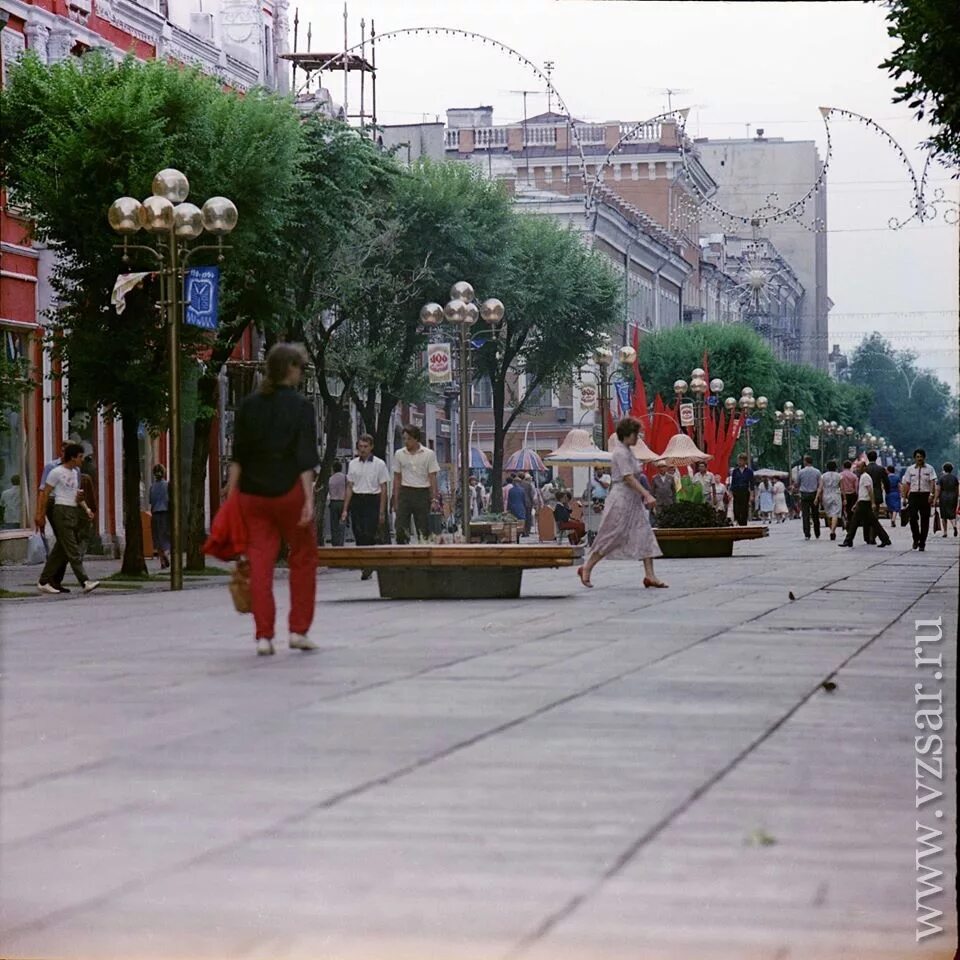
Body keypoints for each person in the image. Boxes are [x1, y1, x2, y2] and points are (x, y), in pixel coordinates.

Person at [229, 343, 319, 656]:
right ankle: (298, 630)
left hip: (253, 494)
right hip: (289, 489)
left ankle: (264, 635)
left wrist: (232, 497)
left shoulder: (248, 406)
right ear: (290, 368)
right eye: (301, 367)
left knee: (260, 563)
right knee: (304, 556)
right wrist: (308, 499)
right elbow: (305, 457)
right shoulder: (302, 407)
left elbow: (237, 456)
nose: (302, 373)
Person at [578, 417, 665, 589]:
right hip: (621, 499)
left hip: (632, 501)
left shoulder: (627, 451)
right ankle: (587, 567)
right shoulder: (620, 453)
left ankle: (650, 575)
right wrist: (646, 494)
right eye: (635, 434)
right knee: (612, 535)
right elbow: (628, 477)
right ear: (627, 434)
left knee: (645, 533)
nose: (637, 438)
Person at [36, 443, 100, 594]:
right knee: (72, 549)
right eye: (80, 457)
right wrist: (40, 514)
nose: (82, 460)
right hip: (61, 510)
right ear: (72, 457)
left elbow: (76, 494)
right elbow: (45, 493)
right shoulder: (56, 472)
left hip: (73, 510)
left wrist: (86, 509)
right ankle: (84, 581)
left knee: (61, 549)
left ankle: (43, 581)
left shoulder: (75, 472)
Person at [343, 434, 390, 578]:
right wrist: (345, 509)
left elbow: (383, 488)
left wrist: (382, 512)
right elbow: (350, 487)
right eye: (360, 447)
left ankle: (369, 565)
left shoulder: (379, 464)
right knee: (358, 533)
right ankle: (364, 564)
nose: (362, 450)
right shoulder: (352, 464)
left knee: (369, 533)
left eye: (365, 446)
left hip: (372, 500)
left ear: (371, 447)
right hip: (357, 500)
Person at [392, 425, 439, 544]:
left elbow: (432, 477)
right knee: (401, 526)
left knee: (423, 527)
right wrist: (395, 499)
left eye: (409, 439)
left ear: (416, 439)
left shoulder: (428, 454)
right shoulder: (399, 454)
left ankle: (424, 550)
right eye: (404, 439)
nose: (406, 442)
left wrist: (434, 498)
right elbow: (397, 477)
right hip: (405, 491)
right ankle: (402, 550)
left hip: (422, 492)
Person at [839, 460, 891, 549]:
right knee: (872, 522)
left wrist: (873, 502)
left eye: (859, 467)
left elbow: (870, 490)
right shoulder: (862, 476)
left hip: (865, 502)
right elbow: (862, 492)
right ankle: (885, 539)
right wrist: (856, 503)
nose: (857, 469)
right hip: (862, 501)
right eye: (857, 467)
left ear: (864, 467)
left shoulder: (865, 477)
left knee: (855, 522)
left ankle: (848, 540)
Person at [901, 448, 938, 551]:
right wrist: (904, 497)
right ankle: (916, 538)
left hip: (925, 495)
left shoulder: (930, 469)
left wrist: (931, 494)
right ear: (914, 458)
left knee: (925, 519)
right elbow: (906, 484)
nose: (919, 459)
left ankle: (922, 542)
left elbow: (932, 482)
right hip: (913, 495)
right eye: (917, 457)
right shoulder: (910, 469)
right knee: (912, 517)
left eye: (921, 457)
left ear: (924, 457)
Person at [863, 450, 890, 545]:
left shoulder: (865, 469)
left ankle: (866, 537)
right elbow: (886, 482)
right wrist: (887, 492)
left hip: (865, 494)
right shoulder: (880, 469)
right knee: (875, 516)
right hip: (877, 493)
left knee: (866, 516)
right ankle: (872, 537)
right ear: (876, 457)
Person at [149, 464, 171, 569]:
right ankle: (166, 553)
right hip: (166, 513)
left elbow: (151, 501)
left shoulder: (152, 487)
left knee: (157, 538)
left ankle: (162, 560)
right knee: (166, 536)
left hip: (155, 513)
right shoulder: (167, 485)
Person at [797, 455, 822, 540]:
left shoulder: (801, 472)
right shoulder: (817, 472)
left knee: (806, 515)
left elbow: (798, 483)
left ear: (805, 461)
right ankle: (817, 532)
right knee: (815, 514)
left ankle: (807, 533)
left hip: (804, 494)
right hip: (814, 494)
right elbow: (819, 485)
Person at [820, 460, 843, 540]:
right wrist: (845, 498)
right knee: (835, 514)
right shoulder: (839, 476)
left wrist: (817, 498)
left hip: (826, 495)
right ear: (835, 467)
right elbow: (842, 488)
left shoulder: (823, 476)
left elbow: (820, 488)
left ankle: (831, 529)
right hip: (836, 494)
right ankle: (832, 531)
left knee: (828, 513)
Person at [730, 454, 754, 526]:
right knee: (736, 509)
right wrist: (731, 493)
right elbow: (733, 482)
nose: (740, 462)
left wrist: (752, 495)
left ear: (745, 461)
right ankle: (738, 520)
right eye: (739, 460)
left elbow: (752, 484)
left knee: (744, 509)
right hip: (736, 491)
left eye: (741, 460)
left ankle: (743, 523)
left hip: (744, 491)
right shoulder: (735, 471)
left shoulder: (749, 471)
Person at [326, 462, 347, 546]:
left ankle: (335, 543)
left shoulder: (330, 479)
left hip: (333, 502)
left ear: (333, 468)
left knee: (334, 524)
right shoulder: (345, 478)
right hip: (343, 502)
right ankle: (341, 542)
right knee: (342, 523)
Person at [937, 462, 958, 538]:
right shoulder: (955, 478)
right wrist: (957, 497)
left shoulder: (941, 478)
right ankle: (954, 525)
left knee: (944, 515)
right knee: (952, 514)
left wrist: (936, 498)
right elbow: (957, 489)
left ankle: (945, 532)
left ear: (944, 469)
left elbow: (938, 489)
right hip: (953, 496)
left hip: (944, 497)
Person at [839, 460, 858, 527]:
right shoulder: (854, 476)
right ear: (850, 467)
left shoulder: (840, 475)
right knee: (850, 509)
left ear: (843, 466)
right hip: (852, 495)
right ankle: (850, 522)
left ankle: (843, 520)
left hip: (842, 494)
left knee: (842, 509)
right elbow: (856, 487)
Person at [884, 465, 902, 529]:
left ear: (888, 470)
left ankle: (892, 519)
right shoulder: (897, 477)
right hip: (895, 493)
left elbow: (883, 487)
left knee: (890, 508)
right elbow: (899, 486)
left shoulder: (886, 478)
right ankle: (893, 520)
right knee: (895, 508)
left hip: (888, 494)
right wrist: (901, 494)